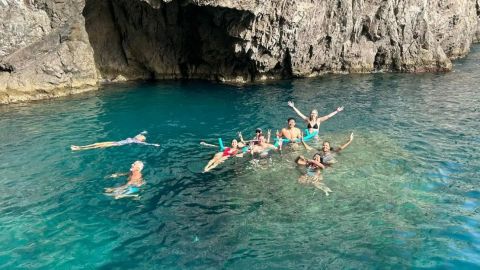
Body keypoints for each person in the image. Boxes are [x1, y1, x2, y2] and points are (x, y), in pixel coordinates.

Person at [71, 131, 160, 151]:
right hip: (115, 141)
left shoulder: (136, 141)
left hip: (116, 144)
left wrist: (154, 144)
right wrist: (143, 132)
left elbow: (146, 144)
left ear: (140, 139)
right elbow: (139, 133)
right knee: (97, 143)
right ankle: (80, 146)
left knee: (98, 146)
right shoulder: (134, 138)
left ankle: (79, 149)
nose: (139, 135)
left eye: (140, 136)